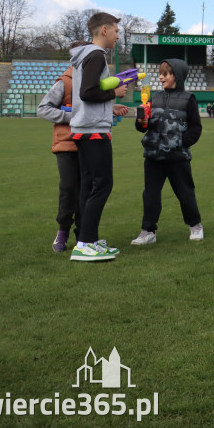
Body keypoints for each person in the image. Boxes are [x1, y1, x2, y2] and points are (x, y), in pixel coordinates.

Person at [68, 13, 130, 262]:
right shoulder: (95, 55)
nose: (117, 36)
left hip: (84, 128)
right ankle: (84, 244)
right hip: (93, 130)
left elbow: (88, 91)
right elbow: (88, 93)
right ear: (104, 30)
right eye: (116, 31)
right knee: (102, 185)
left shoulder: (85, 56)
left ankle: (88, 240)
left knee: (89, 185)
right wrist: (114, 92)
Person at [130, 59, 205, 245]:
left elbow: (196, 129)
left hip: (178, 157)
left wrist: (179, 142)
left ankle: (195, 225)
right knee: (150, 194)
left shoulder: (189, 99)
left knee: (185, 193)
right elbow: (143, 128)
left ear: (177, 76)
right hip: (154, 156)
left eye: (166, 73)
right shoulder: (153, 97)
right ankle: (148, 231)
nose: (161, 77)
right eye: (161, 73)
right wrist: (141, 123)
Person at [36, 58, 82, 252]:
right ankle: (63, 231)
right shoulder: (65, 82)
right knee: (69, 188)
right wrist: (72, 117)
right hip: (67, 144)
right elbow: (43, 109)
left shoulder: (96, 81)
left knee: (87, 191)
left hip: (91, 143)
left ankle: (84, 235)